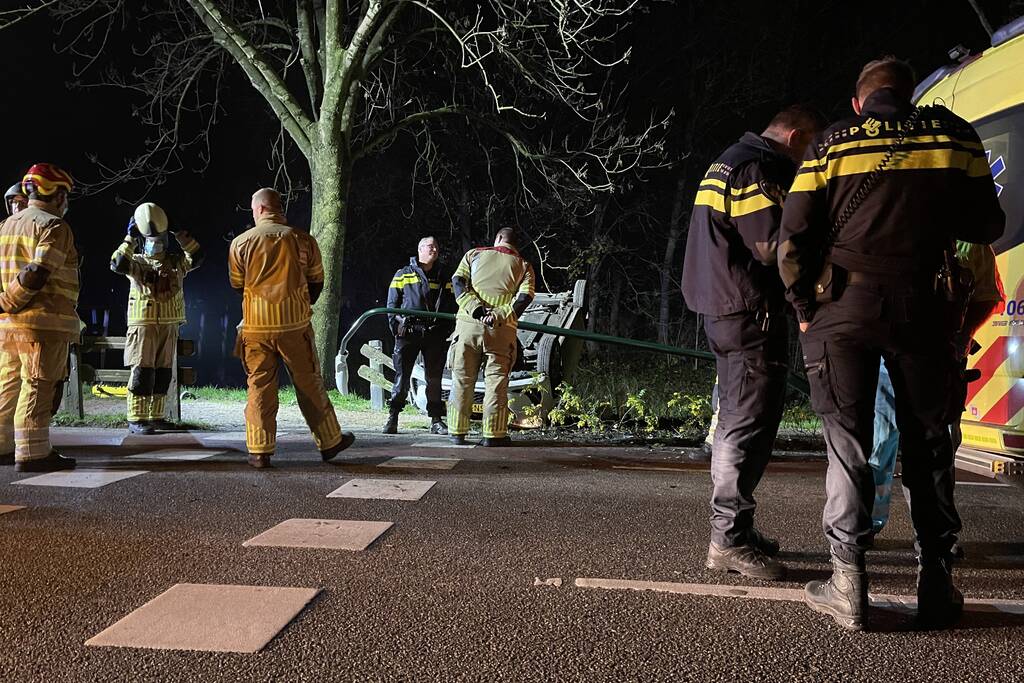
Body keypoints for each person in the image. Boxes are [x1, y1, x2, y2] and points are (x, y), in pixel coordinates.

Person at [779, 57, 1005, 630]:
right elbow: (988, 225)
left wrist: (805, 310)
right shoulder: (953, 136)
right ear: (908, 95)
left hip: (844, 312)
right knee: (929, 445)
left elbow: (791, 242)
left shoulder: (830, 144)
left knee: (849, 443)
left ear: (860, 102)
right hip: (927, 308)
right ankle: (936, 583)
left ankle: (848, 584)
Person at [681, 104, 826, 580]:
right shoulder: (756, 167)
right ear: (796, 135)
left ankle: (738, 527)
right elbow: (769, 245)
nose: (807, 161)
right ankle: (728, 539)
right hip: (748, 313)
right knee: (746, 427)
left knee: (737, 422)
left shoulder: (729, 159)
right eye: (809, 149)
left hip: (724, 308)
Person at [869, 241, 1004, 533]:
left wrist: (964, 334)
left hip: (939, 358)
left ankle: (935, 537)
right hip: (891, 353)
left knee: (934, 452)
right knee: (880, 445)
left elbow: (989, 295)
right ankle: (869, 526)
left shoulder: (968, 238)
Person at [228, 188, 354, 468]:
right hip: (294, 326)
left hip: (256, 328)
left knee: (259, 386)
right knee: (309, 383)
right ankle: (330, 442)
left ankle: (259, 452)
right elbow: (317, 281)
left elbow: (237, 284)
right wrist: (297, 304)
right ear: (277, 207)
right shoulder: (303, 240)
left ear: (259, 210)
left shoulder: (240, 243)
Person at [0, 164, 80, 472]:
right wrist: (9, 301)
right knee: (37, 385)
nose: (66, 202)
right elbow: (38, 272)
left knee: (8, 386)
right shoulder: (54, 226)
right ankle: (33, 453)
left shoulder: (6, 225)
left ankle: (5, 446)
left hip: (8, 328)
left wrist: (4, 307)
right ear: (57, 194)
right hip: (43, 324)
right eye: (65, 195)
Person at [110, 202, 204, 434]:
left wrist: (181, 234)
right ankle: (136, 418)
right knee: (143, 370)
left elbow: (197, 257)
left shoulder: (175, 262)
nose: (156, 243)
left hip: (169, 324)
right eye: (151, 240)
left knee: (163, 372)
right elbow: (117, 264)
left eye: (160, 239)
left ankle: (157, 416)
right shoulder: (137, 262)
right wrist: (129, 238)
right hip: (144, 323)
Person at [448, 228, 535, 446]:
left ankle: (457, 432)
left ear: (497, 239)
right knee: (496, 382)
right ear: (516, 245)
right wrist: (498, 315)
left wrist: (476, 310)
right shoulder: (524, 266)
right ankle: (494, 435)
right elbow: (524, 298)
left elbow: (458, 283)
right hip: (501, 331)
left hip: (468, 326)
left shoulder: (473, 254)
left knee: (462, 379)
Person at [384, 236, 454, 435]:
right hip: (409, 333)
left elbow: (451, 303)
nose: (435, 250)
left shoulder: (443, 276)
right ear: (420, 249)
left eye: (437, 247)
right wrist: (398, 324)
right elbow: (391, 305)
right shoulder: (403, 274)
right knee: (402, 376)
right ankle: (393, 417)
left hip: (435, 334)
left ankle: (436, 420)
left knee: (434, 378)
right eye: (431, 246)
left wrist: (446, 328)